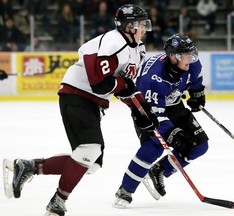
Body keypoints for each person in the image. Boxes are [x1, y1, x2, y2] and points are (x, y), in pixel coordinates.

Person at [3, 4, 157, 216]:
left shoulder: (137, 49)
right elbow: (100, 84)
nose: (145, 28)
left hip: (92, 102)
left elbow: (125, 85)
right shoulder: (113, 43)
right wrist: (126, 88)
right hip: (77, 95)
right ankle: (58, 202)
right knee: (89, 150)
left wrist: (142, 111)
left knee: (91, 162)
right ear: (129, 26)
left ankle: (28, 166)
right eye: (141, 24)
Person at [113, 33, 209, 208]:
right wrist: (172, 134)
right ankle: (125, 190)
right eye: (185, 54)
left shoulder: (192, 63)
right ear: (173, 57)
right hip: (146, 110)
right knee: (155, 146)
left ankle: (160, 169)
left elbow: (196, 81)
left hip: (174, 105)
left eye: (191, 53)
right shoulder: (152, 79)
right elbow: (154, 116)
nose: (191, 57)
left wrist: (197, 94)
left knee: (199, 145)